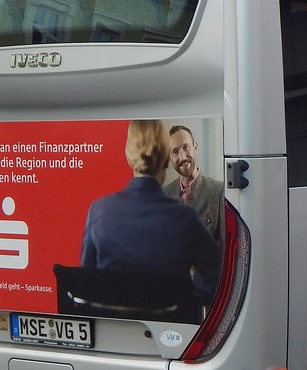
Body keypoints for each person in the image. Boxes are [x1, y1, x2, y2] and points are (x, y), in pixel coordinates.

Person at [80, 119, 219, 301]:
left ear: (128, 155)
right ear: (166, 157)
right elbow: (215, 281)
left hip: (118, 324)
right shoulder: (184, 218)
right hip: (171, 323)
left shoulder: (99, 211)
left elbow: (86, 284)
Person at [164, 124, 223, 237]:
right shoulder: (164, 196)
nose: (183, 157)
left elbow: (224, 247)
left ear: (195, 147)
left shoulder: (219, 191)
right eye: (175, 152)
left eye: (186, 147)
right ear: (169, 158)